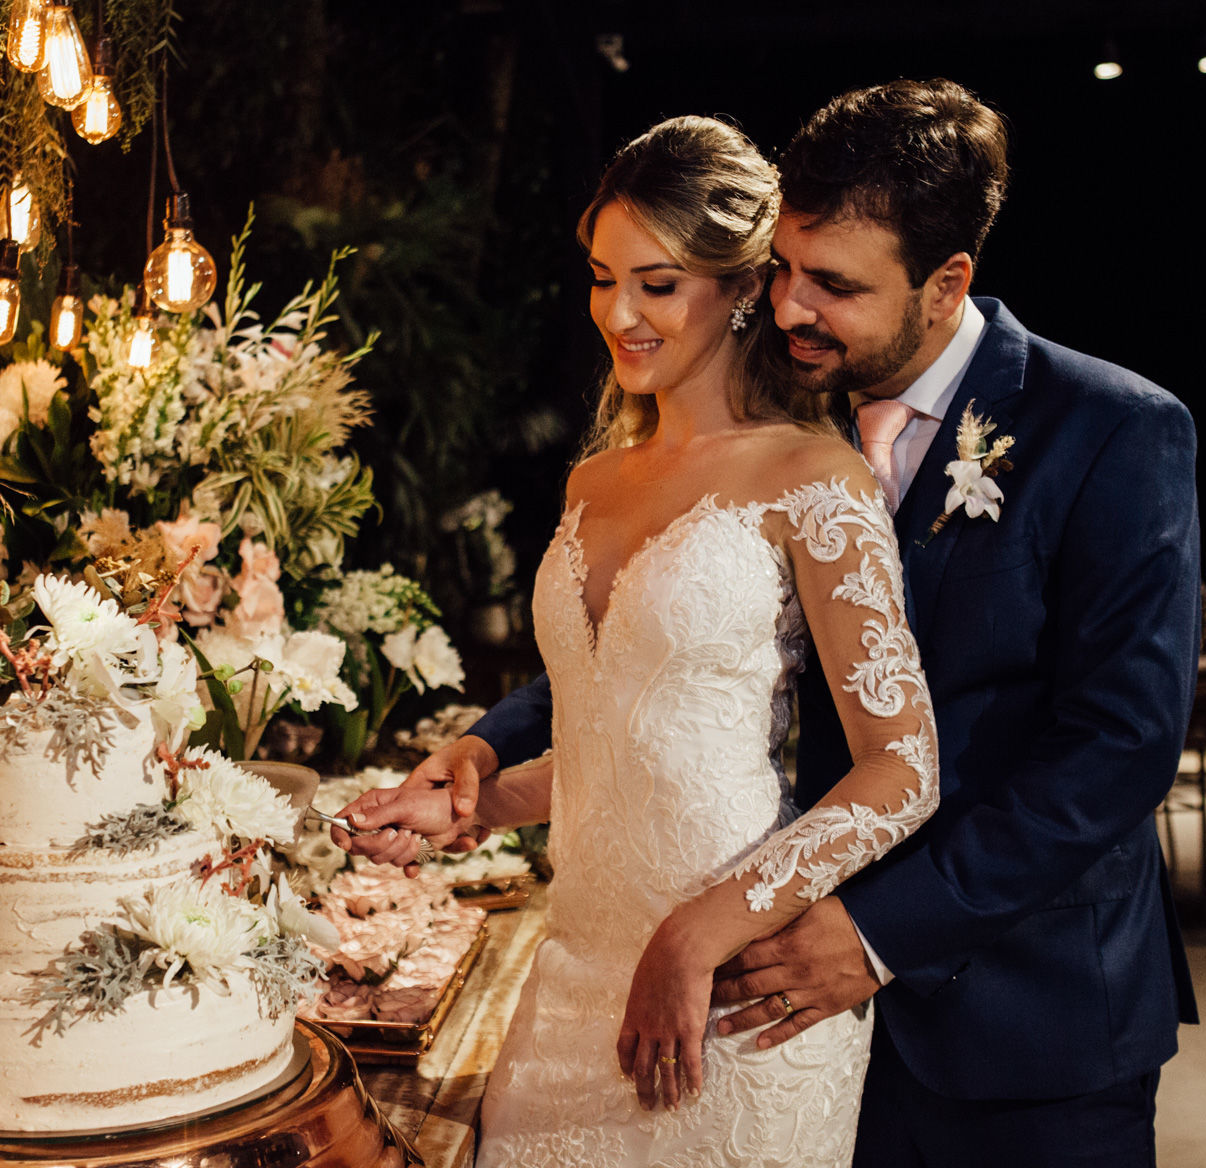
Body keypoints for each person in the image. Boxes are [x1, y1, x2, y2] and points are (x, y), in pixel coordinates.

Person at [343, 80, 1201, 1167]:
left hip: (1025, 1014)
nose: (791, 305)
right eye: (783, 269)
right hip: (771, 978)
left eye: (832, 284)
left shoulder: (1112, 430)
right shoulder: (794, 395)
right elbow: (663, 670)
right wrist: (483, 755)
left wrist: (876, 933)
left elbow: (1119, 750)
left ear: (946, 285)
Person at [337, 113, 940, 1166]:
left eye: (657, 284)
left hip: (739, 995)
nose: (619, 312)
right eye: (602, 276)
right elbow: (620, 747)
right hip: (572, 983)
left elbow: (903, 767)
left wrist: (699, 930)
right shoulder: (591, 482)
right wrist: (470, 803)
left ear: (744, 284)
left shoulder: (813, 478)